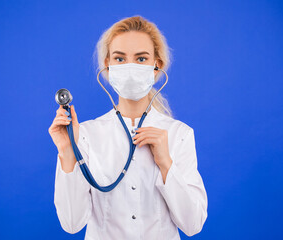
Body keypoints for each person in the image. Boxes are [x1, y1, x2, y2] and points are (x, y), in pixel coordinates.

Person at [48, 15, 208, 240]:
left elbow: (193, 224)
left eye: (141, 59)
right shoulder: (85, 135)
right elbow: (72, 223)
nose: (131, 67)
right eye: (120, 59)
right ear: (108, 65)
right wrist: (67, 151)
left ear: (156, 66)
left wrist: (166, 164)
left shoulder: (179, 135)